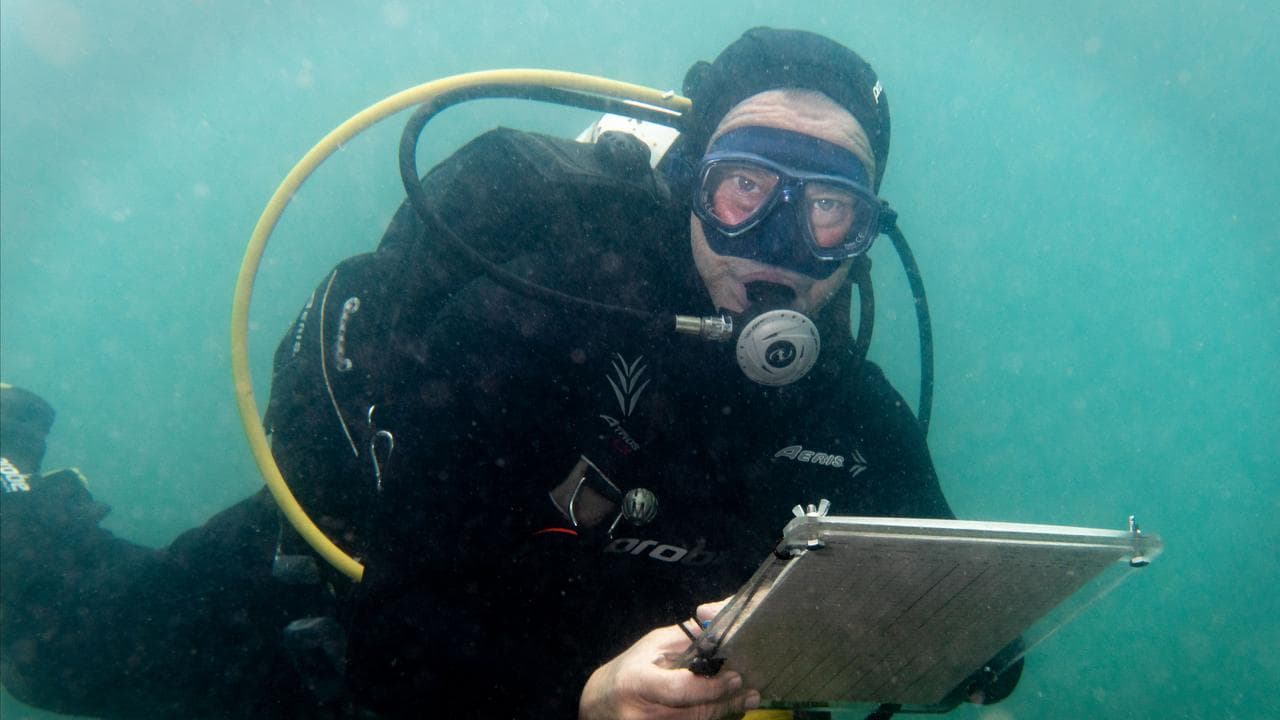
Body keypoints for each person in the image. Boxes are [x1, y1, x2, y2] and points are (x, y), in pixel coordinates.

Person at [0, 28, 1022, 719]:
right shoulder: (543, 308)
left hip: (582, 679)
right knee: (61, 645)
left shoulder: (851, 409)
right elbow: (399, 607)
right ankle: (15, 499)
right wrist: (575, 696)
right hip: (326, 632)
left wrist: (966, 645)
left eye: (826, 205)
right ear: (687, 188)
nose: (778, 239)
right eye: (743, 187)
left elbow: (942, 610)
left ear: (860, 238)